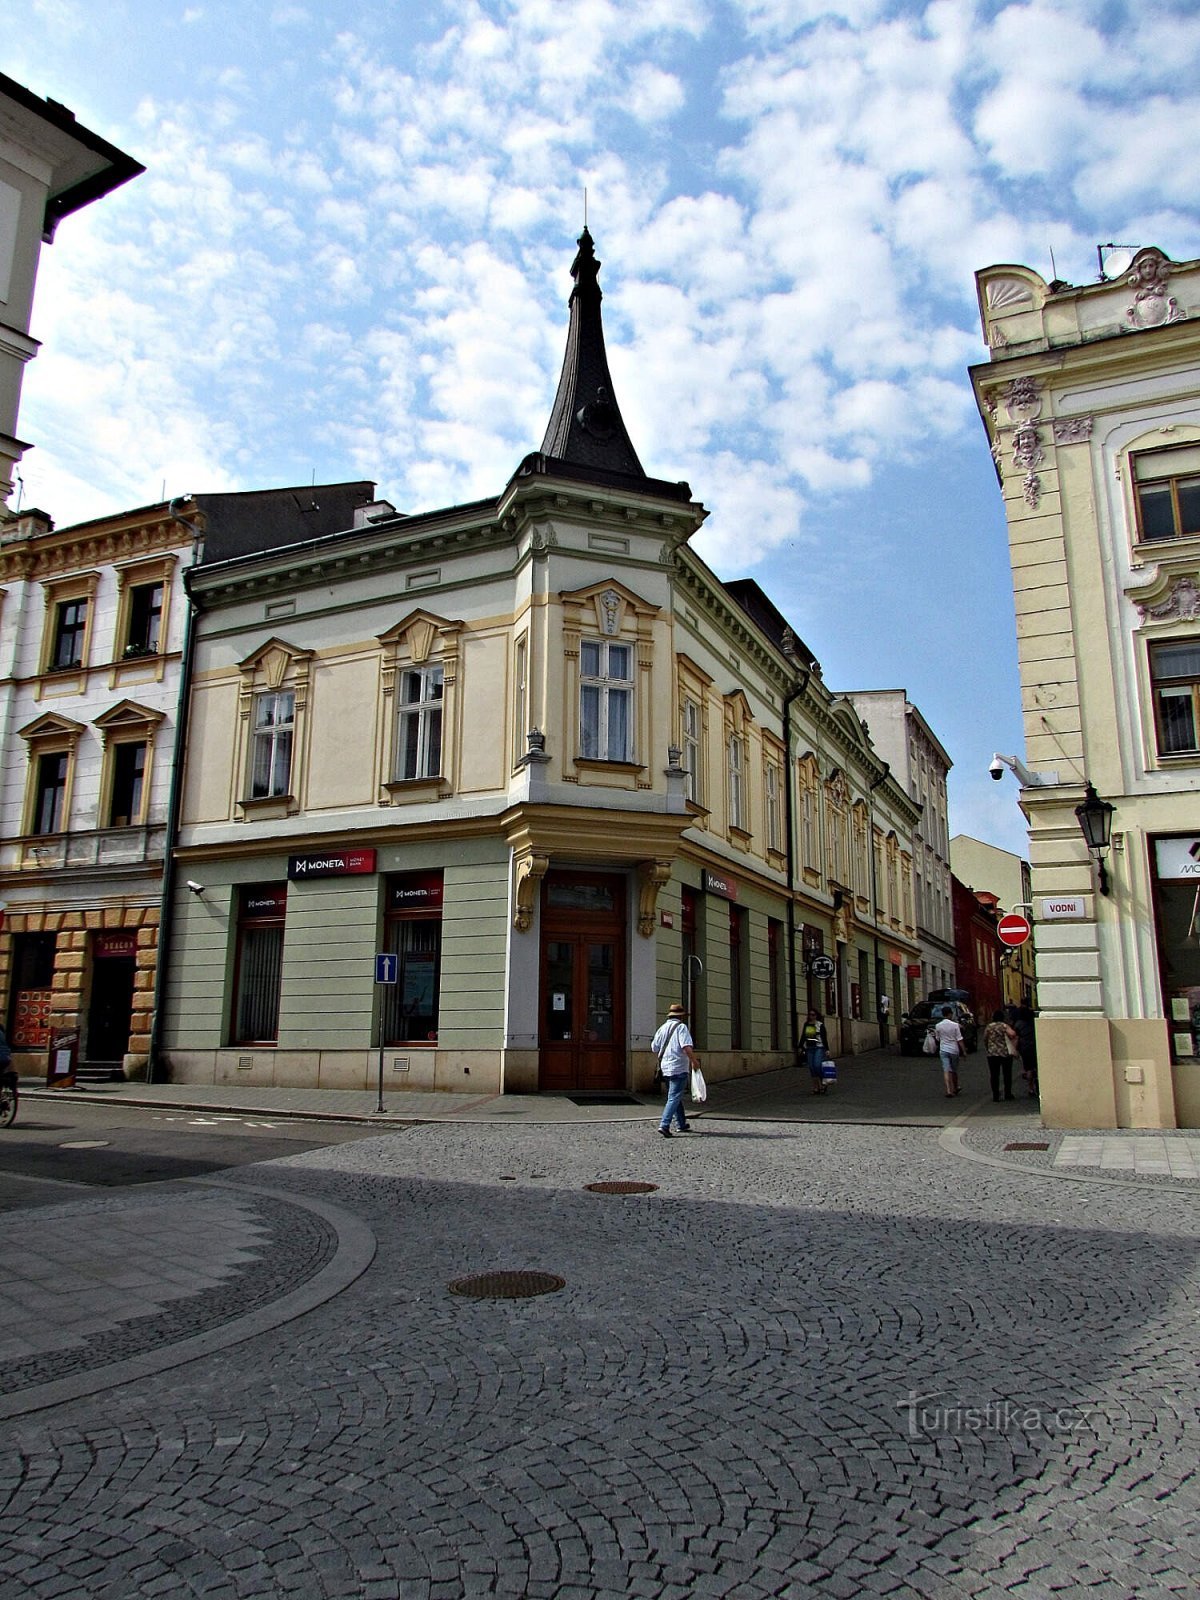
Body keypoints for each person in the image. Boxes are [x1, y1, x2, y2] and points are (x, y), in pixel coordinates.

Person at [651, 1002, 699, 1138]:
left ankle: (681, 1124)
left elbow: (654, 1048)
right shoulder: (682, 1028)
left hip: (665, 1068)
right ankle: (664, 1125)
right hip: (679, 1067)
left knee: (675, 1095)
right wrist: (694, 1061)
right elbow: (686, 1047)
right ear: (681, 1016)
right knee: (674, 1097)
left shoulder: (662, 1028)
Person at [984, 1009, 1017, 1102]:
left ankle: (995, 1095)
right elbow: (1013, 1034)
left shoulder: (989, 1026)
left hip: (992, 1053)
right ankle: (1008, 1093)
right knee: (1007, 1074)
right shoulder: (1004, 1025)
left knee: (994, 1075)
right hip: (1004, 1053)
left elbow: (985, 1038)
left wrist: (988, 1047)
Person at [932, 1007, 964, 1097]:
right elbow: (959, 1039)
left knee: (946, 1070)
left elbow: (937, 1038)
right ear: (950, 1014)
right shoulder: (955, 1025)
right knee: (954, 1070)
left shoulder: (938, 1025)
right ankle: (955, 1087)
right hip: (954, 1050)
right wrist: (964, 1051)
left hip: (943, 1050)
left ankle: (948, 1090)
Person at [1011, 1004, 1039, 1099]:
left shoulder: (1018, 1024)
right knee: (1037, 1066)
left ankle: (1030, 1088)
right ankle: (1038, 1084)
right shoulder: (1035, 1022)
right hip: (1036, 1046)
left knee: (1028, 1068)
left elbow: (1016, 1037)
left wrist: (1014, 1050)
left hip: (1025, 1048)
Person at [801, 1009, 830, 1095]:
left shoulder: (820, 1025)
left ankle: (823, 1081)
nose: (811, 1016)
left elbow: (824, 1038)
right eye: (810, 1015)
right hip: (810, 1047)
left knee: (817, 1065)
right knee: (811, 1067)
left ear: (816, 1016)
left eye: (813, 1015)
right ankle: (816, 1087)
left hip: (819, 1047)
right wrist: (800, 1046)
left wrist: (827, 1049)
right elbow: (804, 1036)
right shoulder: (807, 1025)